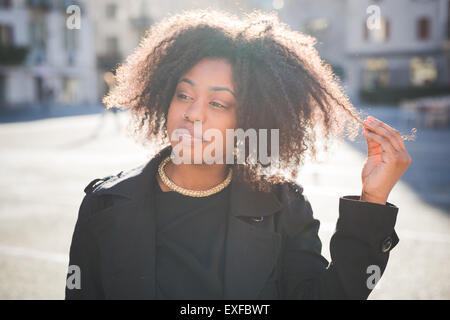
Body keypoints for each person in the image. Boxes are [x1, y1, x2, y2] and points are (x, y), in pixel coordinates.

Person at [65, 9, 412, 300]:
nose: (193, 113)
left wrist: (372, 200)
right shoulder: (105, 204)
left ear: (250, 119)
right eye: (184, 95)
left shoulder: (284, 207)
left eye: (218, 103)